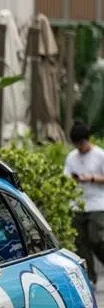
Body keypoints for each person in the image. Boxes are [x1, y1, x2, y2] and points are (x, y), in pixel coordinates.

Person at [64, 121, 104, 285]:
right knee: (80, 242)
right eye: (76, 144)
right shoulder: (71, 157)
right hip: (77, 204)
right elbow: (65, 176)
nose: (80, 147)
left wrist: (91, 178)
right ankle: (90, 277)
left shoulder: (100, 155)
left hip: (97, 203)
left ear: (88, 140)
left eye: (82, 143)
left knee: (96, 239)